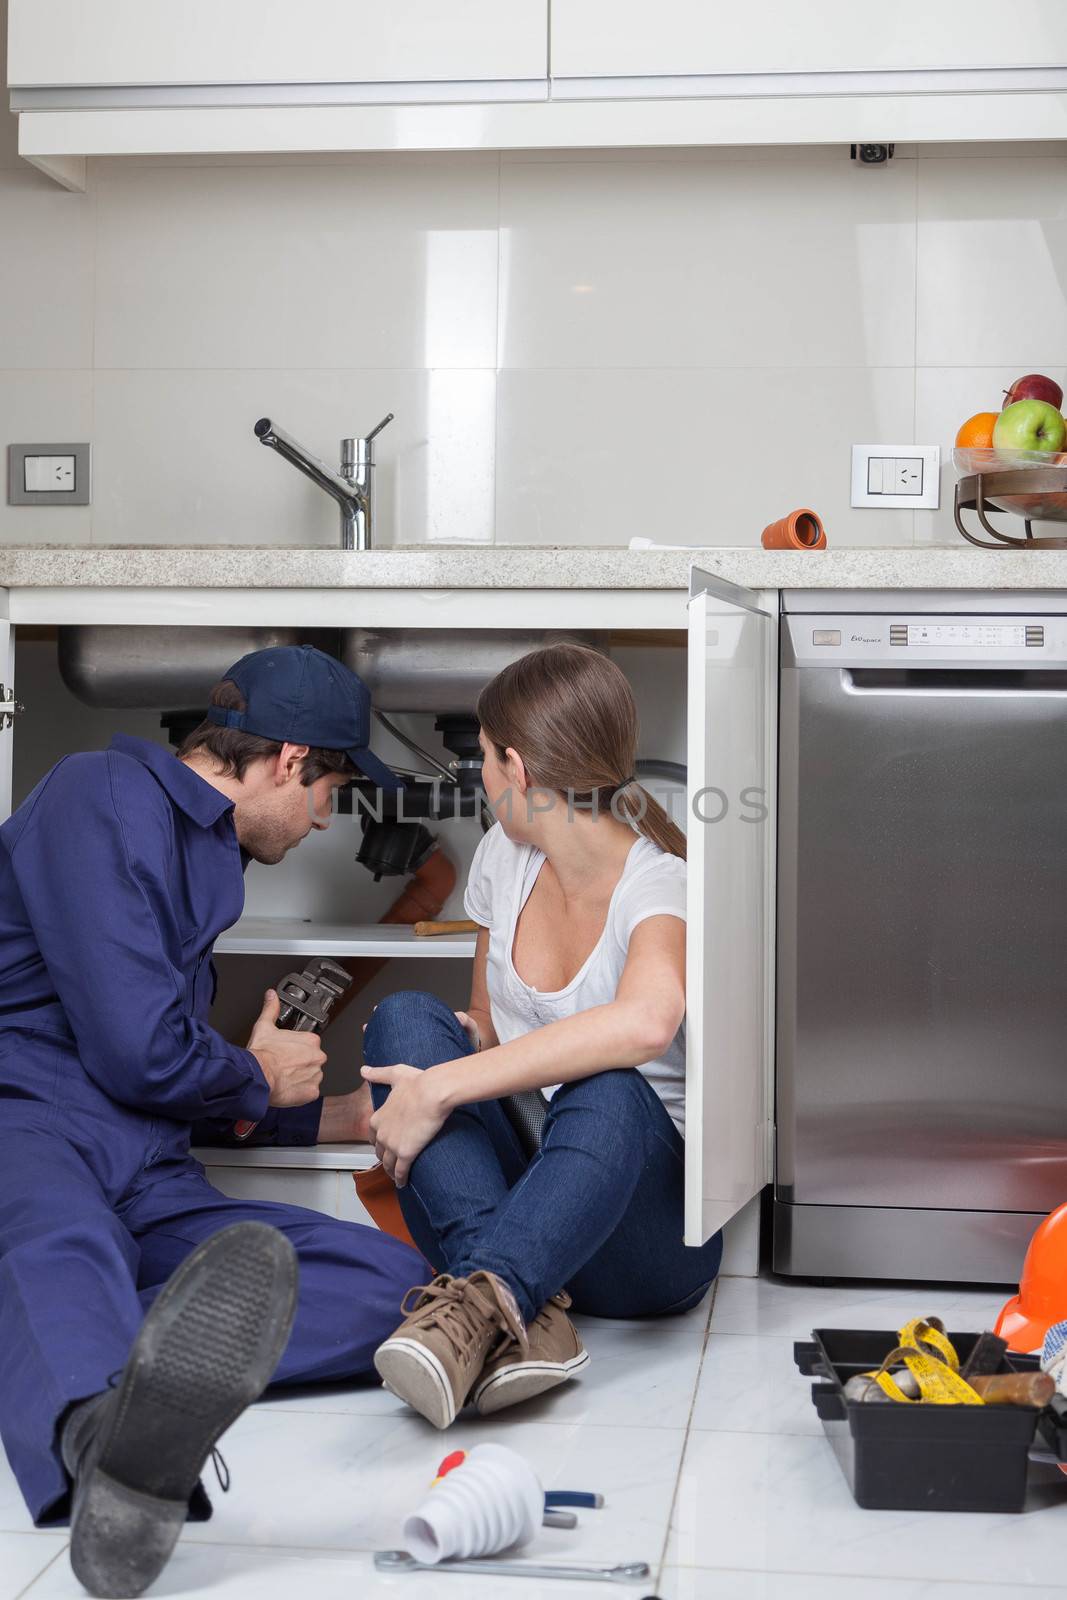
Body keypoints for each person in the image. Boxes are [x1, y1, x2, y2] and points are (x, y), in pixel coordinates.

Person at [0, 645, 426, 1598]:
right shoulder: (99, 793)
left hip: (150, 1168)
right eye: (331, 790)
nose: (326, 818)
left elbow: (175, 1075)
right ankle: (101, 1440)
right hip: (28, 1122)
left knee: (396, 1290)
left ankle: (91, 1352)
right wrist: (257, 1075)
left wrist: (327, 1111)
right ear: (286, 760)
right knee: (57, 1236)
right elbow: (135, 1049)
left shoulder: (208, 853)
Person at [363, 642, 722, 1430]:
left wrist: (441, 1088)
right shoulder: (504, 855)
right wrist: (438, 1062)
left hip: (643, 1241)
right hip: (532, 1212)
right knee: (406, 1021)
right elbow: (484, 1027)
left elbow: (645, 1021)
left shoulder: (660, 883)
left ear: (517, 767)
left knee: (610, 1083)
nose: (482, 777)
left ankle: (481, 1299)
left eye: (485, 759)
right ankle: (521, 1311)